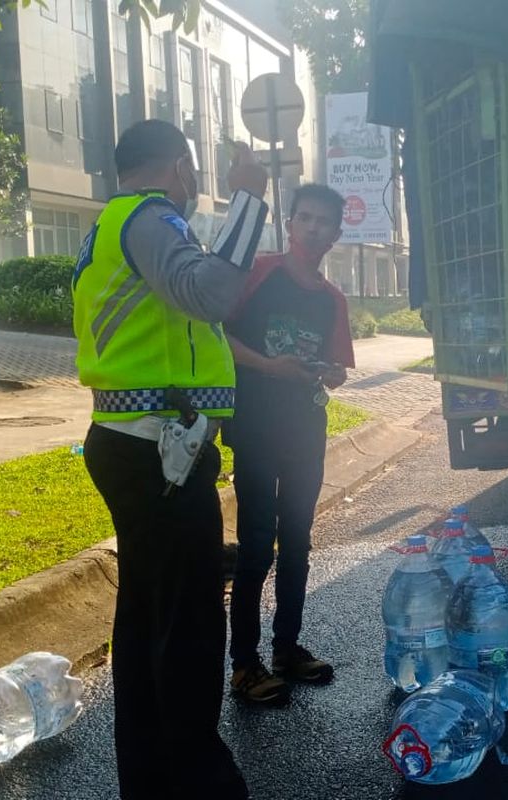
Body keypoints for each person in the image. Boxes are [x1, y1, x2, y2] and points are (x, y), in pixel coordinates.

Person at [74, 119, 270, 800]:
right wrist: (247, 203)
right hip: (156, 453)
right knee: (186, 622)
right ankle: (198, 781)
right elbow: (210, 292)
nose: (195, 185)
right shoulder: (149, 219)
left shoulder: (115, 224)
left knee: (147, 621)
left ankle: (153, 778)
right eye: (195, 172)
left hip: (138, 445)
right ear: (180, 167)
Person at [224, 183, 355, 702]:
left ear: (336, 235)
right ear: (290, 225)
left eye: (324, 222)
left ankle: (287, 648)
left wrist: (328, 372)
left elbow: (340, 369)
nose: (313, 229)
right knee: (257, 543)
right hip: (255, 425)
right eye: (305, 219)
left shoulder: (331, 299)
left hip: (306, 428)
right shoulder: (258, 273)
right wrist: (268, 366)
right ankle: (244, 664)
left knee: (297, 541)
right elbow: (218, 335)